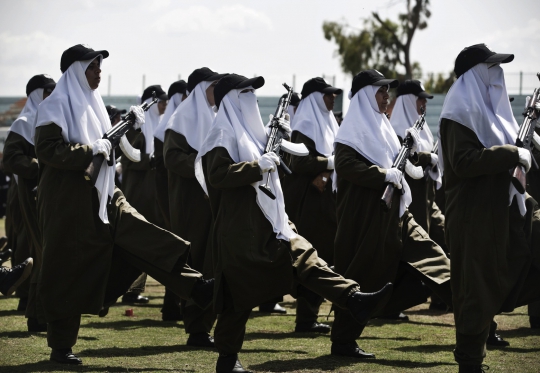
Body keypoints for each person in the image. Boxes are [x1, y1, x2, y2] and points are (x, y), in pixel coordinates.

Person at [195, 73, 393, 373]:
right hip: (240, 228)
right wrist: (255, 166)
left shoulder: (252, 134)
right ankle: (227, 359)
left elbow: (275, 177)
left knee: (308, 258)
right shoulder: (221, 134)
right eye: (246, 92)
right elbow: (217, 177)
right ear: (232, 100)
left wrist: (278, 148)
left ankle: (353, 298)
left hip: (272, 221)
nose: (253, 98)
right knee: (237, 293)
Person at [34, 44, 213, 365]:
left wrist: (127, 126)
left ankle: (196, 288)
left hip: (105, 193)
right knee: (67, 268)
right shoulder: (53, 105)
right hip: (67, 200)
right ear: (76, 70)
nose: (99, 72)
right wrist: (90, 150)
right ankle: (61, 346)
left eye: (99, 67)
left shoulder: (94, 105)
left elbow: (111, 146)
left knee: (145, 236)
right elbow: (49, 152)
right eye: (92, 67)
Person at [331, 69, 452, 358]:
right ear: (365, 96)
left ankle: (479, 320)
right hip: (367, 220)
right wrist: (383, 175)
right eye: (381, 91)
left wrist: (413, 156)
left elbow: (401, 162)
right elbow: (346, 165)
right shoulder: (350, 131)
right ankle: (343, 342)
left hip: (398, 214)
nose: (387, 96)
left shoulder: (382, 126)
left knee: (436, 260)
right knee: (362, 278)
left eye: (388, 91)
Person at [438, 43, 540, 372]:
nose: (497, 76)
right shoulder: (460, 113)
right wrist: (511, 154)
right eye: (490, 69)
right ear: (475, 74)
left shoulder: (487, 116)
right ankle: (470, 362)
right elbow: (464, 162)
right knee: (474, 289)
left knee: (499, 277)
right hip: (472, 218)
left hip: (496, 213)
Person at [164, 67, 226, 344]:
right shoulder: (182, 117)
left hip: (212, 202)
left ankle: (204, 327)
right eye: (214, 86)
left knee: (212, 261)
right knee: (196, 260)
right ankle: (196, 329)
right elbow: (172, 158)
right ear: (203, 88)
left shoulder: (213, 116)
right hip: (191, 204)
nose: (217, 92)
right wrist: (204, 167)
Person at [282, 77, 342, 333]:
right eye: (327, 95)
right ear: (315, 98)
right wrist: (328, 163)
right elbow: (299, 163)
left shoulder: (328, 123)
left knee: (323, 256)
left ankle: (308, 318)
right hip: (308, 203)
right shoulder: (306, 123)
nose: (332, 99)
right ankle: (304, 321)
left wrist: (328, 170)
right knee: (311, 258)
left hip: (324, 201)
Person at [3, 74, 56, 332]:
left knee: (43, 252)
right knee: (35, 248)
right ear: (36, 93)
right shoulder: (24, 122)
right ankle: (33, 309)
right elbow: (10, 158)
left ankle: (36, 312)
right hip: (28, 192)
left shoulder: (50, 120)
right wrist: (40, 167)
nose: (53, 94)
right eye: (48, 90)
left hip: (47, 193)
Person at [120, 84, 169, 304]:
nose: (164, 106)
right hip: (139, 193)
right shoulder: (135, 126)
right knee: (137, 243)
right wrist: (150, 161)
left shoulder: (158, 125)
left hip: (153, 194)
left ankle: (135, 289)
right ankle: (130, 291)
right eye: (161, 102)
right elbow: (128, 156)